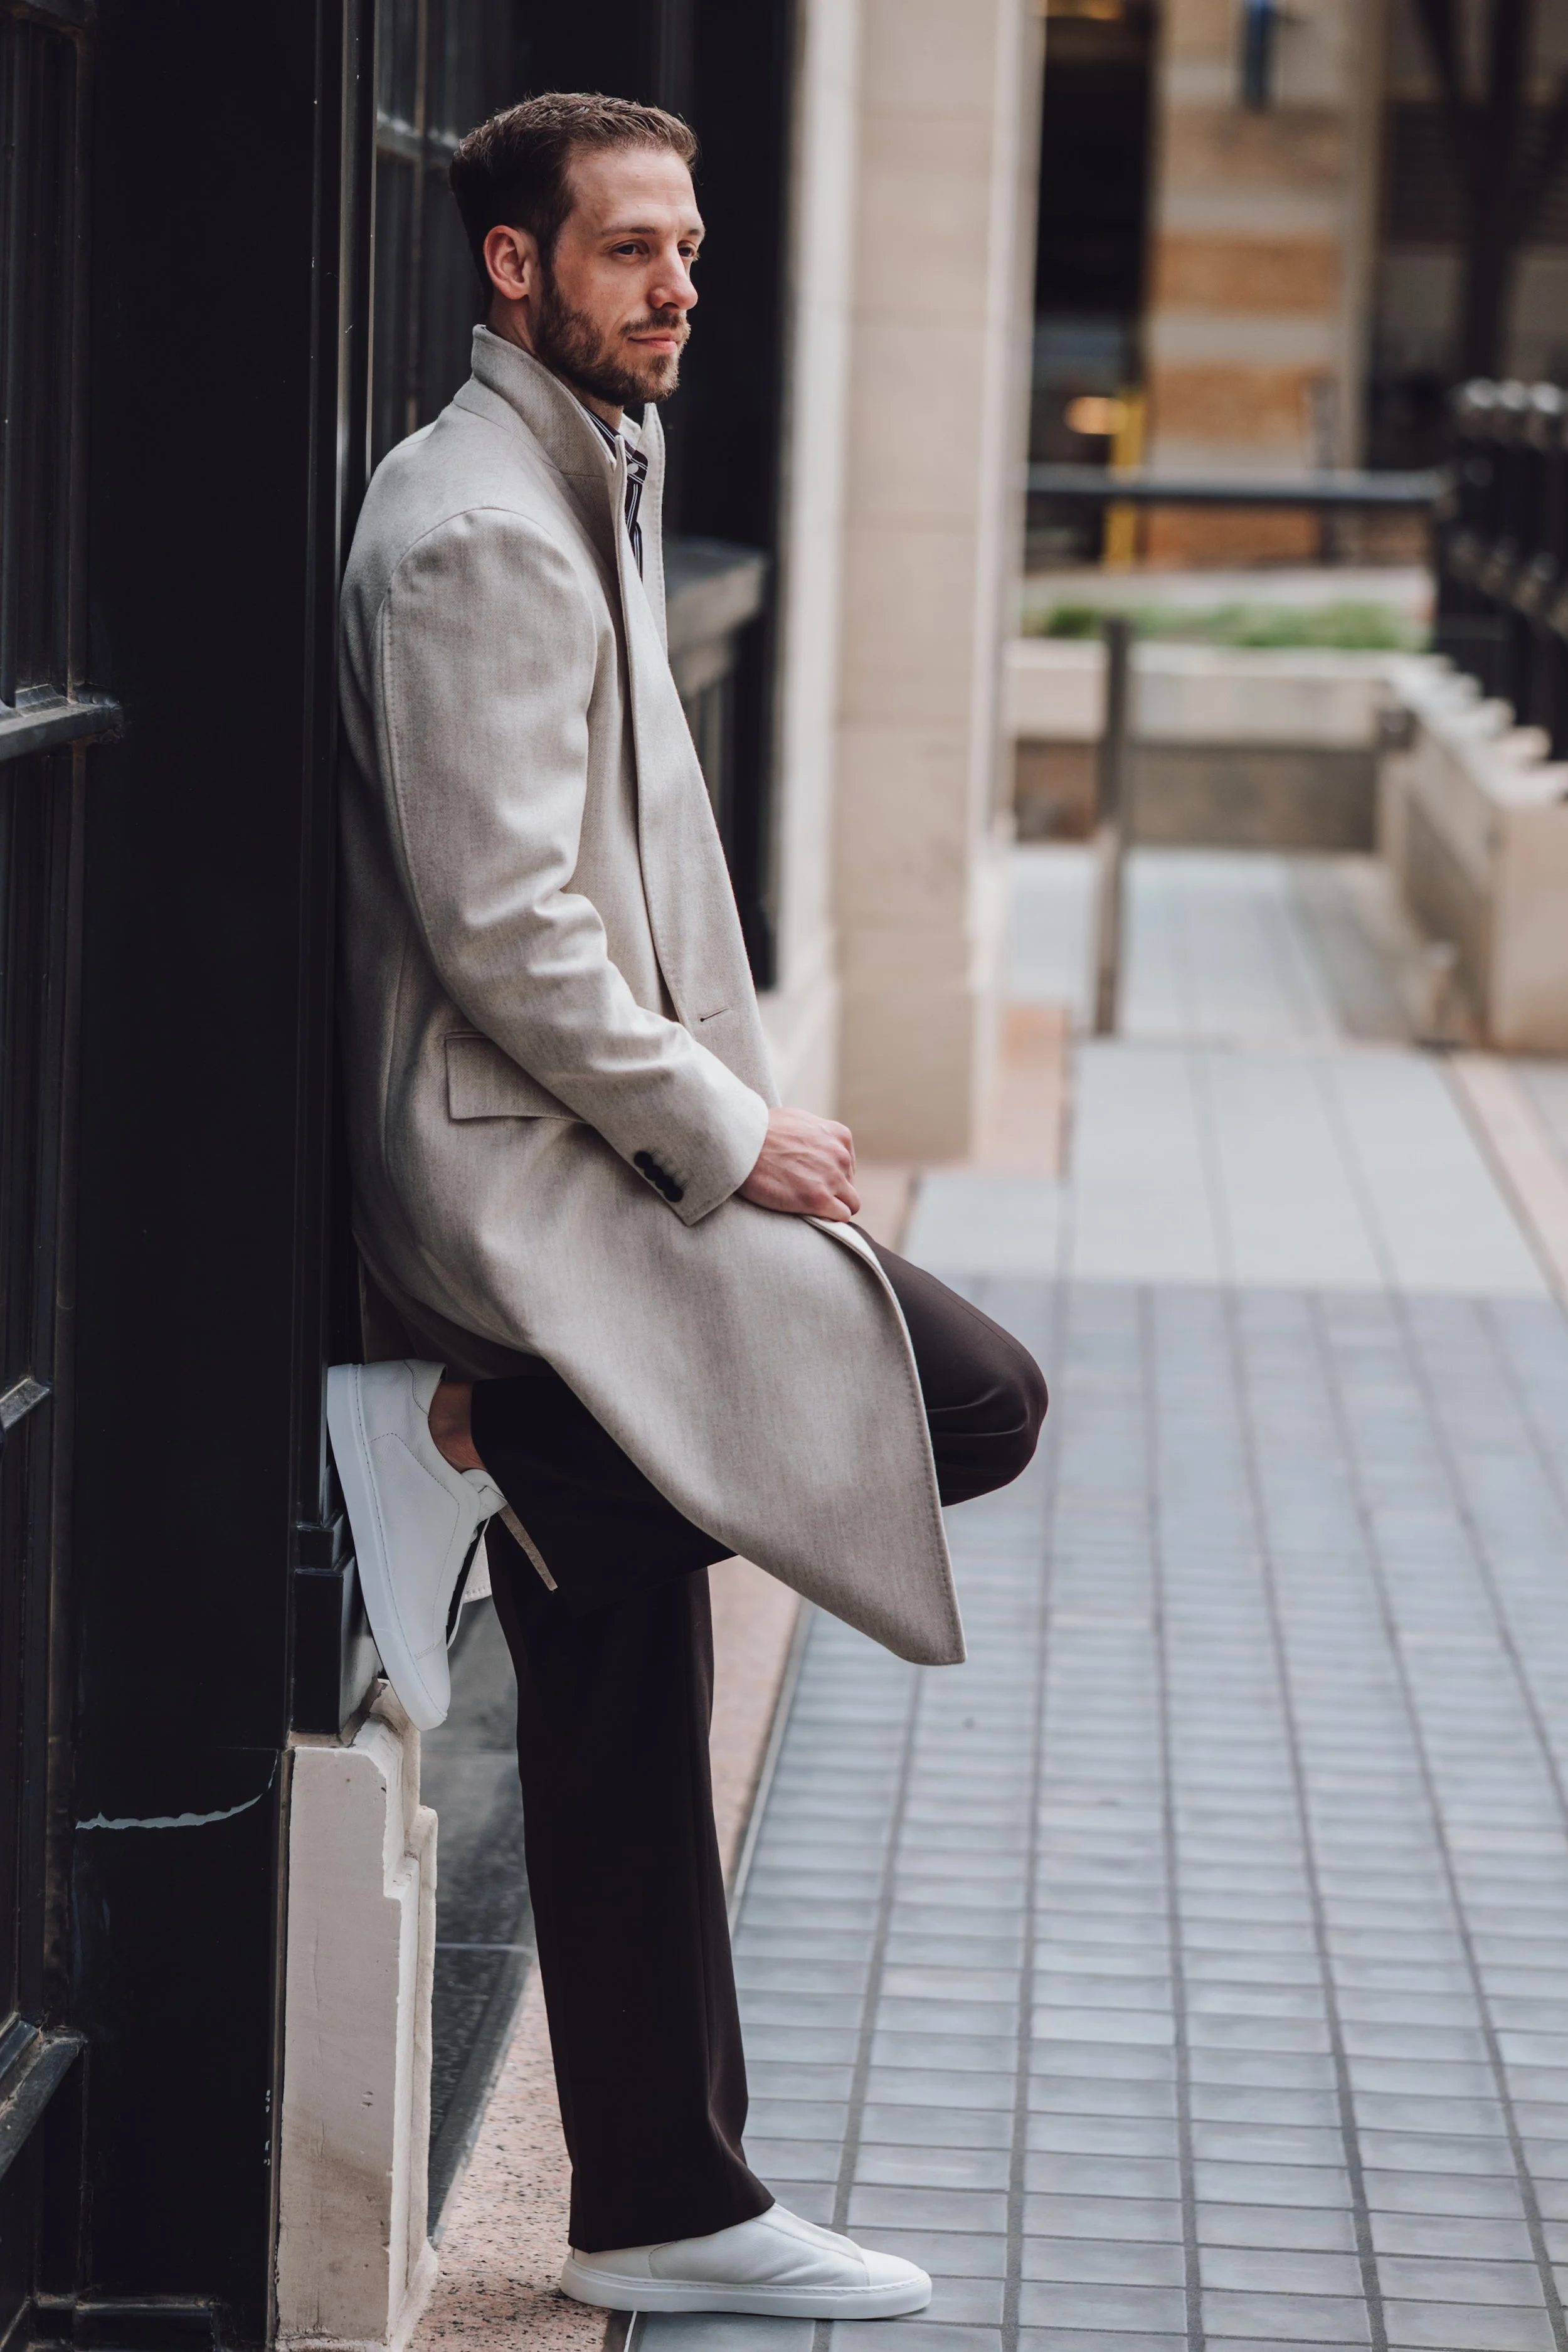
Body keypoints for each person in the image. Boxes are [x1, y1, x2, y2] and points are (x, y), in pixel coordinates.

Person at [328, 90, 1046, 2321]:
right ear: (514, 265)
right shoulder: (475, 527)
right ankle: (463, 1438)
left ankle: (661, 2191)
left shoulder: (583, 477)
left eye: (693, 249)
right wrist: (732, 1134)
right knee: (970, 1393)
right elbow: (506, 929)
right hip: (521, 1169)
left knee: (622, 1669)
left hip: (589, 1142)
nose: (680, 285)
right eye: (632, 247)